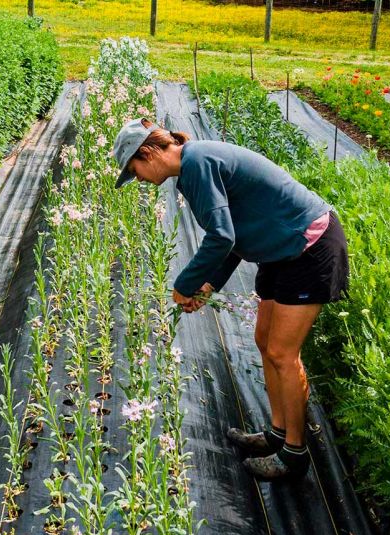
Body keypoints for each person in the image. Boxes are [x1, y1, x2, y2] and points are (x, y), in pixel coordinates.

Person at [113, 117, 349, 481]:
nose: (140, 180)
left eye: (135, 170)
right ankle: (277, 433)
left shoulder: (197, 164)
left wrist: (185, 283)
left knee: (284, 354)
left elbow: (221, 237)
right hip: (279, 250)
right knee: (264, 342)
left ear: (147, 153)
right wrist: (207, 287)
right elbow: (234, 236)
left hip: (308, 246)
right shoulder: (192, 165)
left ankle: (294, 455)